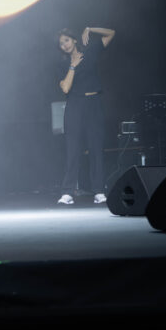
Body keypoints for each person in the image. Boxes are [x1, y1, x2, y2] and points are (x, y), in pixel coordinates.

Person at [56, 26, 115, 205]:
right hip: (75, 105)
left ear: (74, 40)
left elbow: (111, 33)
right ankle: (67, 192)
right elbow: (66, 88)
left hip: (94, 104)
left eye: (66, 40)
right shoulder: (63, 64)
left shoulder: (90, 51)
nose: (64, 45)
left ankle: (99, 191)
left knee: (96, 148)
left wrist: (90, 29)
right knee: (72, 149)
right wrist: (73, 66)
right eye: (61, 43)